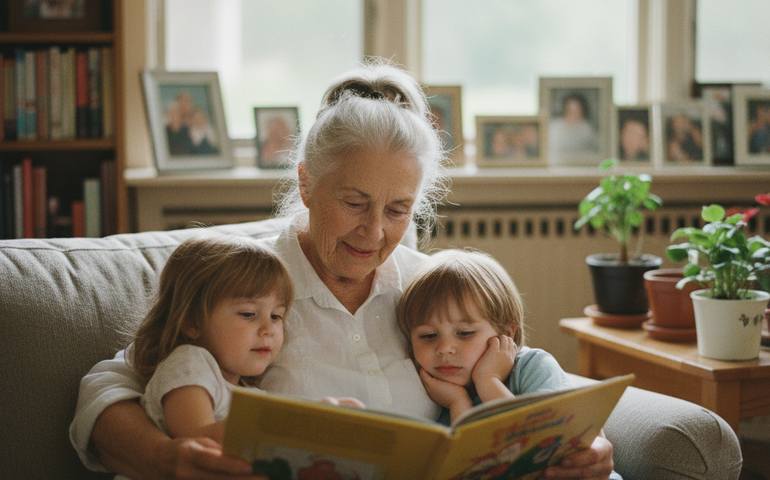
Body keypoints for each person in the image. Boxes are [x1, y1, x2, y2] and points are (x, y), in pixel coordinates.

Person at [70, 58, 616, 480]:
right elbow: (109, 384)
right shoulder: (247, 285)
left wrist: (583, 445)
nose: (374, 232)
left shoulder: (429, 289)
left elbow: (524, 377)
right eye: (354, 203)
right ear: (307, 183)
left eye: (398, 210)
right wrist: (166, 458)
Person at [398, 249, 621, 479]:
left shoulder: (533, 368)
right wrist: (458, 404)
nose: (445, 348)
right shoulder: (435, 396)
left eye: (464, 333)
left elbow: (538, 449)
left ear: (506, 334)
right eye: (428, 336)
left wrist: (488, 381)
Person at [548, 92, 599, 164]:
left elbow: (597, 151)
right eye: (570, 110)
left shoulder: (587, 128)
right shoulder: (555, 127)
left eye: (577, 110)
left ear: (582, 112)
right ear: (564, 110)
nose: (573, 113)